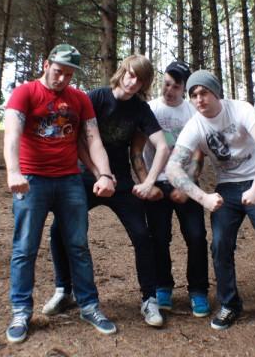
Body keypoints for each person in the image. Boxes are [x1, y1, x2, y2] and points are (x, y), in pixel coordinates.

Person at [166, 70, 255, 333]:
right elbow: (172, 168)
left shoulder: (240, 109)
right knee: (220, 245)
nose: (199, 99)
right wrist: (203, 197)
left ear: (216, 92)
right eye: (193, 95)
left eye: (204, 92)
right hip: (227, 187)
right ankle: (229, 304)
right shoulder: (195, 125)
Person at [43, 55, 171, 328]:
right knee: (58, 230)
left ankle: (149, 299)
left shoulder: (140, 109)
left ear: (145, 84)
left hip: (121, 183)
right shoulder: (97, 98)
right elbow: (78, 138)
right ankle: (64, 290)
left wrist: (149, 182)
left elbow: (162, 146)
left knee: (142, 235)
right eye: (130, 74)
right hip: (84, 177)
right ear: (121, 72)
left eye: (140, 79)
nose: (132, 82)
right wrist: (98, 173)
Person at [4, 44, 117, 343]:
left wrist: (104, 174)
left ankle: (89, 305)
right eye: (58, 71)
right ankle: (21, 311)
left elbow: (93, 139)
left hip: (69, 180)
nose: (62, 78)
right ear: (46, 65)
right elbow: (12, 134)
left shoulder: (79, 99)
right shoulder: (25, 93)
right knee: (25, 247)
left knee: (78, 245)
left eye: (68, 74)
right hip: (32, 180)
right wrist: (14, 171)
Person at [130, 61, 210, 317]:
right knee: (158, 238)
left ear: (184, 89)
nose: (169, 90)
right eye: (166, 84)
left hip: (186, 183)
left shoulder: (192, 112)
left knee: (196, 236)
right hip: (156, 184)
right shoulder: (150, 109)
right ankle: (162, 286)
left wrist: (187, 185)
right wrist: (147, 183)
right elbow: (137, 151)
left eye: (176, 86)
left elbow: (198, 153)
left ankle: (198, 291)